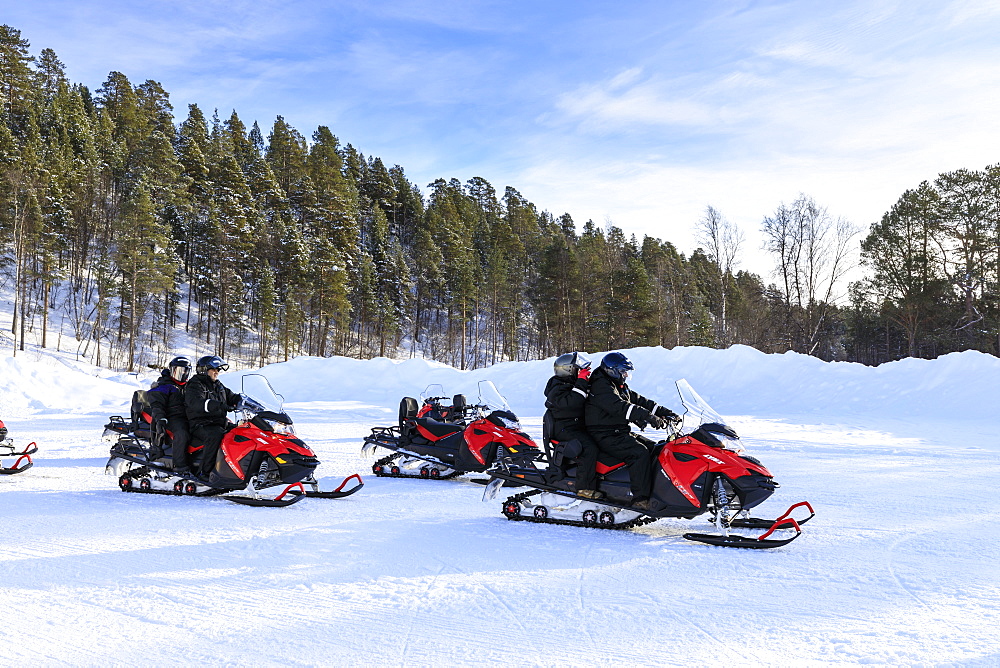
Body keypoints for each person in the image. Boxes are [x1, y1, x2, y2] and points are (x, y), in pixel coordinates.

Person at [584, 352, 679, 511]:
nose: (626, 375)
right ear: (612, 370)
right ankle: (640, 500)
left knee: (656, 448)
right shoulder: (601, 386)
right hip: (603, 434)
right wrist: (649, 417)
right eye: (623, 371)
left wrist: (665, 412)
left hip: (618, 431)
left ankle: (656, 491)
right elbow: (620, 407)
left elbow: (638, 400)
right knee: (639, 453)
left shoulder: (615, 384)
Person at [543, 352, 603, 499]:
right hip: (563, 428)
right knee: (588, 448)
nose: (582, 372)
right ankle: (584, 489)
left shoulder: (570, 383)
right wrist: (582, 381)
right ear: (569, 369)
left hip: (574, 425)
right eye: (578, 369)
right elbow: (574, 402)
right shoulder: (557, 387)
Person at [184, 355, 241, 479]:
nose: (217, 372)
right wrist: (220, 406)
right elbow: (196, 403)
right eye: (214, 369)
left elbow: (231, 396)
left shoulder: (218, 385)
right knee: (215, 435)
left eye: (218, 370)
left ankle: (235, 470)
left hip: (218, 422)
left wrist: (243, 401)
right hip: (200, 423)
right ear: (204, 370)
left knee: (240, 432)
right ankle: (204, 472)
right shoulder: (195, 385)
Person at [147, 356, 193, 472]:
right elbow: (157, 405)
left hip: (186, 417)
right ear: (172, 371)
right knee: (182, 433)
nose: (182, 374)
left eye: (185, 371)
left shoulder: (188, 387)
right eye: (179, 371)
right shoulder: (164, 386)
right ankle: (179, 465)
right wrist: (161, 418)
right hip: (170, 418)